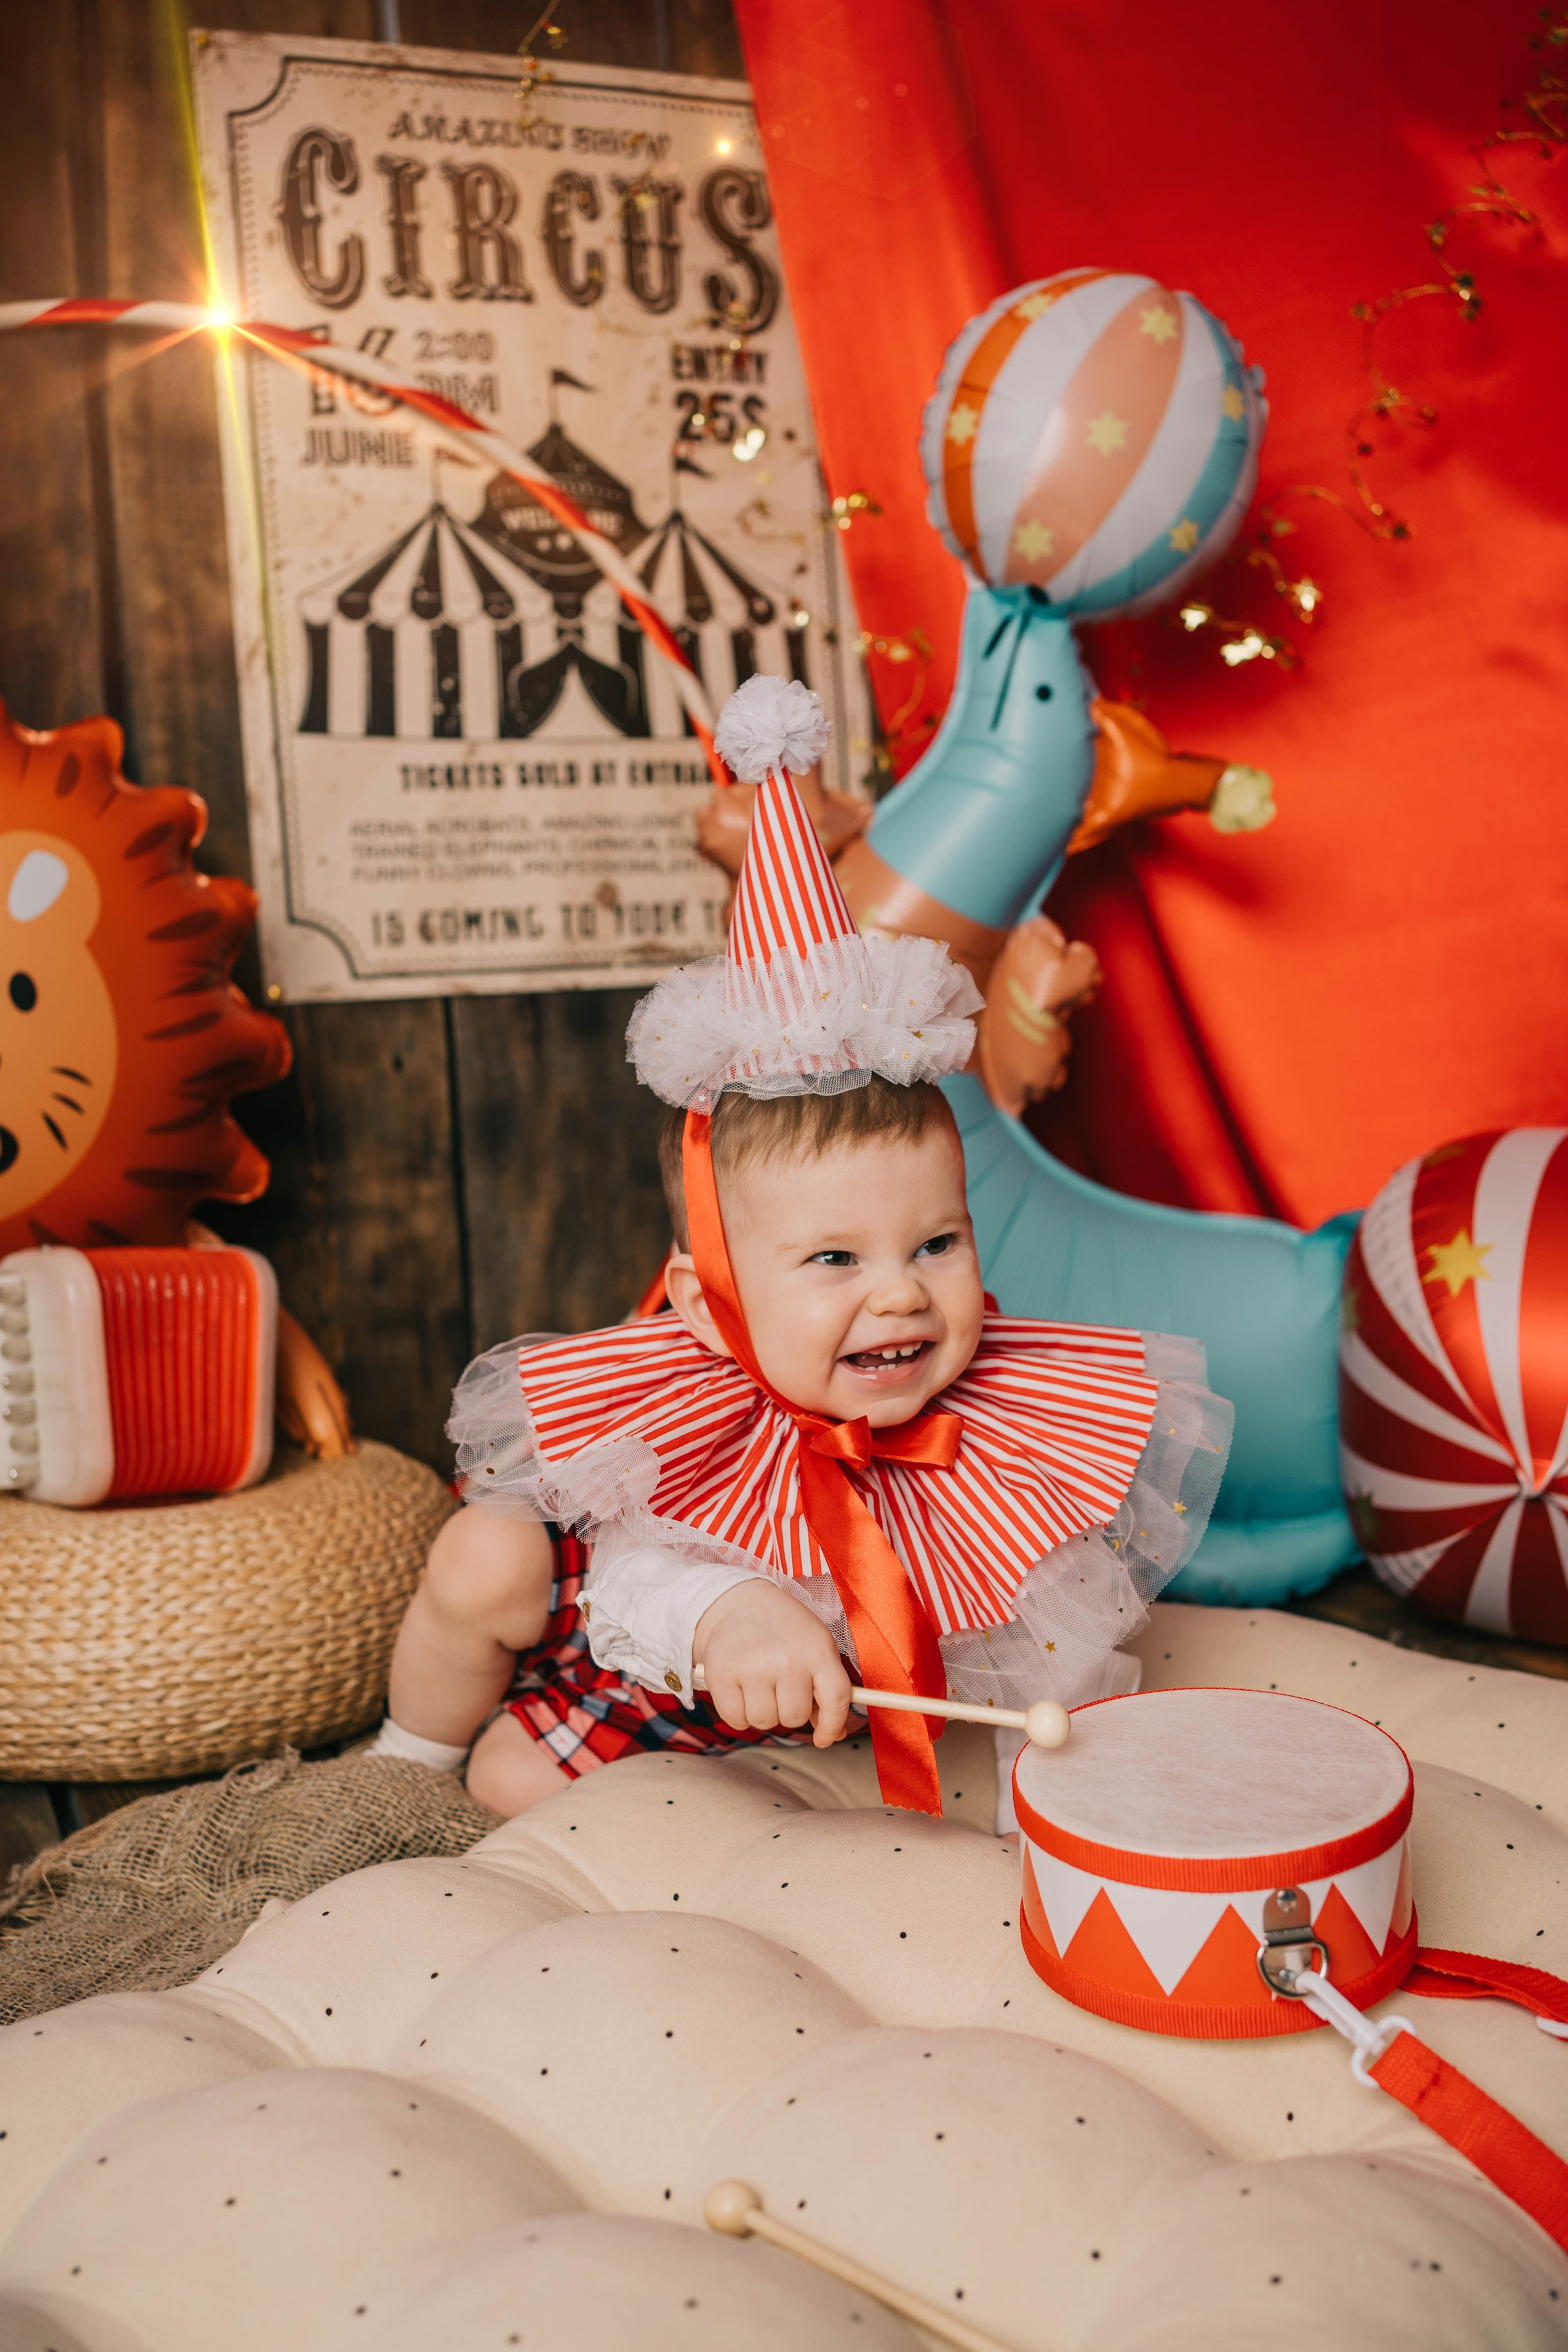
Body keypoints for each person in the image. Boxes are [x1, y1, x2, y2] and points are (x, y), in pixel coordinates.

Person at [369, 677, 1232, 1825]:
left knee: (736, 1809)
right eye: (834, 1261)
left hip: (795, 1720)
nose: (901, 1295)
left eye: (935, 1243)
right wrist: (730, 1616)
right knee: (490, 1595)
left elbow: (1032, 1593)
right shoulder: (687, 1407)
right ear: (704, 1302)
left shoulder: (999, 1411)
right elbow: (639, 1576)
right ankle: (398, 1765)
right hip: (634, 1663)